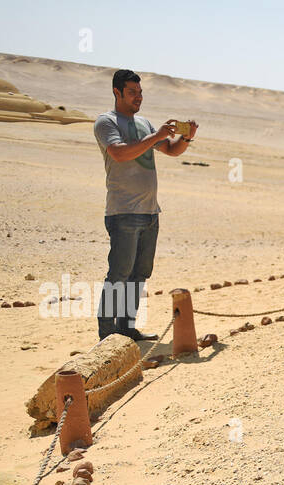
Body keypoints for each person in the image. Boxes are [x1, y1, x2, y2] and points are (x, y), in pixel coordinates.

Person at [92, 69, 197, 341]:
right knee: (119, 275)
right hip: (123, 211)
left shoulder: (145, 123)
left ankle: (127, 329)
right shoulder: (106, 122)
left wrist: (185, 137)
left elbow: (171, 150)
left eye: (140, 92)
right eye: (132, 92)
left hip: (150, 212)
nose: (138, 97)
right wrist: (156, 135)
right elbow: (119, 153)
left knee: (139, 275)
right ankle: (107, 336)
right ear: (117, 92)